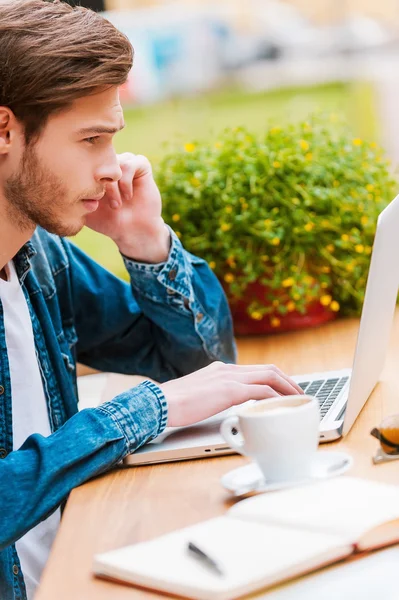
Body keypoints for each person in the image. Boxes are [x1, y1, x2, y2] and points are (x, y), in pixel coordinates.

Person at [0, 1, 303, 598]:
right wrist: (142, 412)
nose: (112, 169)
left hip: (78, 569)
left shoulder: (41, 260)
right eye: (90, 140)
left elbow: (195, 370)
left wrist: (145, 244)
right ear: (4, 130)